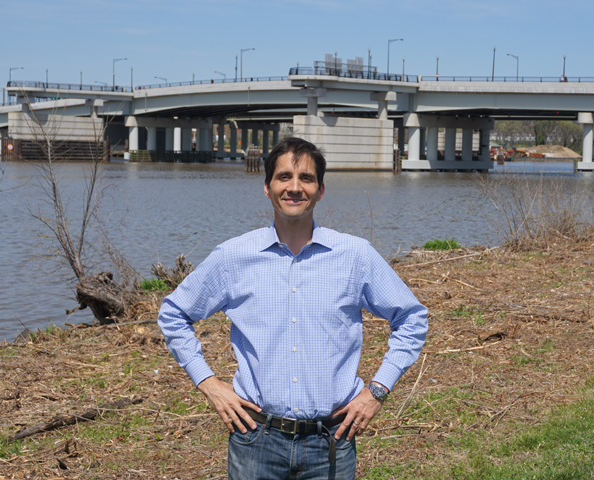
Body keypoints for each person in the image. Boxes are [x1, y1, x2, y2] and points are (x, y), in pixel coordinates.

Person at [158, 137, 428, 479]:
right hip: (255, 438)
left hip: (331, 438)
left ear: (321, 190)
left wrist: (377, 391)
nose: (295, 187)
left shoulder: (354, 256)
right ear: (267, 188)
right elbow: (174, 314)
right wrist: (209, 383)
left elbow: (412, 317)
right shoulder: (233, 257)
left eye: (307, 179)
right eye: (284, 177)